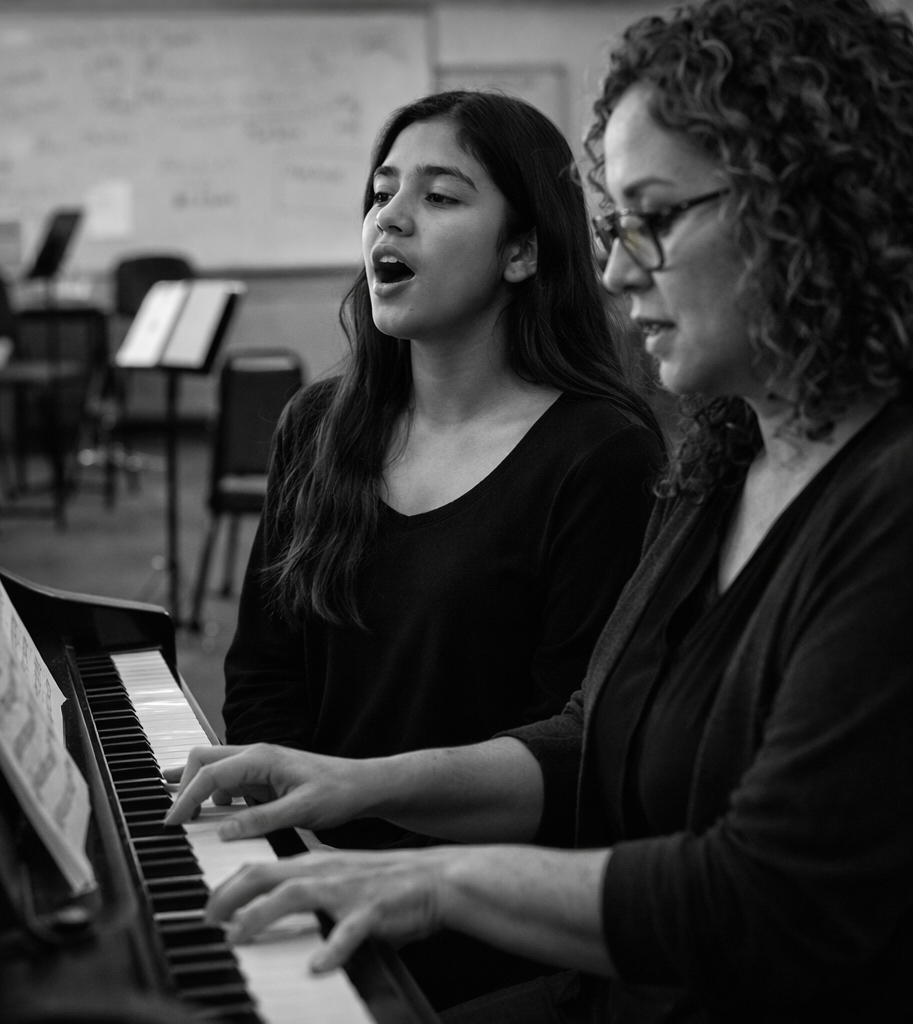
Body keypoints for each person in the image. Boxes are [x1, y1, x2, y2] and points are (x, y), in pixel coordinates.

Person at [169, 2, 913, 1020]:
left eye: (654, 219)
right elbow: (590, 737)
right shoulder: (722, 460)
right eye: (612, 227)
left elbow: (771, 898)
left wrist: (428, 879)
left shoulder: (883, 498)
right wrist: (357, 782)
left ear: (814, 210)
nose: (613, 269)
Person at [222, 90, 663, 1006]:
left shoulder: (601, 453)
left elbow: (576, 753)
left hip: (489, 922)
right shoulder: (318, 427)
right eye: (382, 192)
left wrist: (369, 834)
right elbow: (266, 676)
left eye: (442, 195)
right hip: (320, 872)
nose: (392, 215)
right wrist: (299, 849)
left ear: (524, 249)